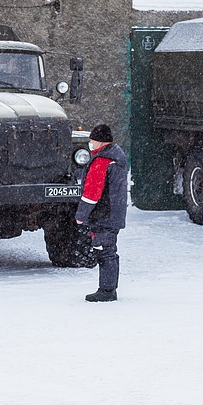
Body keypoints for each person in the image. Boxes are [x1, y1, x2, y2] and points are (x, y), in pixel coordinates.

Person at [75, 123, 128, 302]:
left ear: (99, 142)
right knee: (109, 250)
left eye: (92, 141)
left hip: (104, 214)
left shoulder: (101, 162)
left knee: (105, 251)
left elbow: (92, 193)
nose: (90, 144)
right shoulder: (117, 157)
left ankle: (106, 290)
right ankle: (109, 288)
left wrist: (81, 215)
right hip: (114, 212)